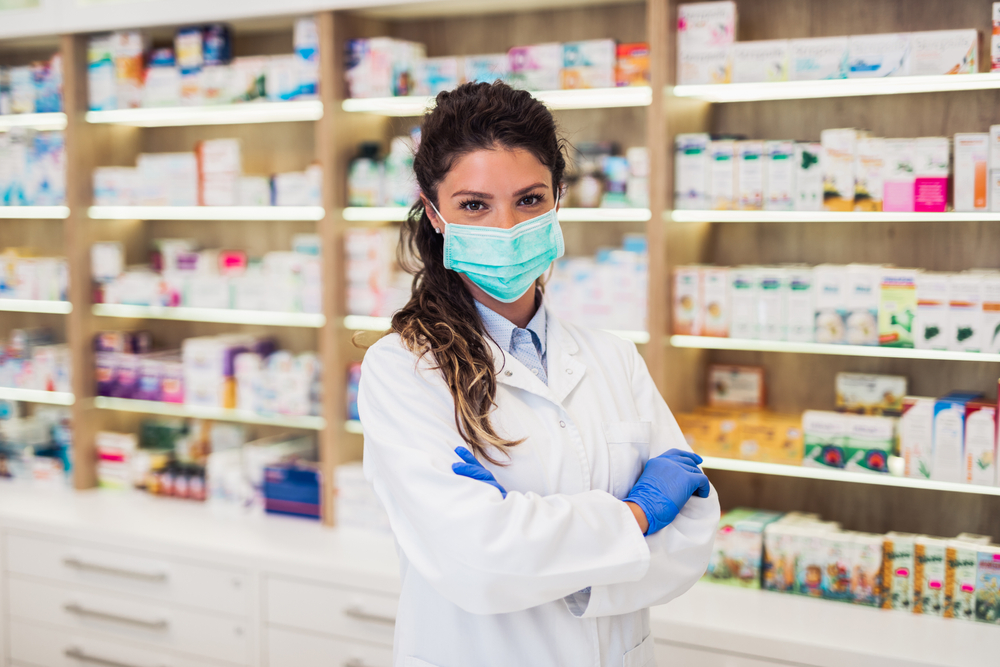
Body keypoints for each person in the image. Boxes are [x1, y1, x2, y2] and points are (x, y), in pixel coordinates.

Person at [358, 81, 720, 667]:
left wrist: (538, 549)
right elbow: (476, 560)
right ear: (435, 213)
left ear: (558, 199)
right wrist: (638, 514)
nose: (506, 226)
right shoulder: (404, 370)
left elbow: (695, 534)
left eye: (528, 199)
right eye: (475, 204)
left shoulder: (613, 358)